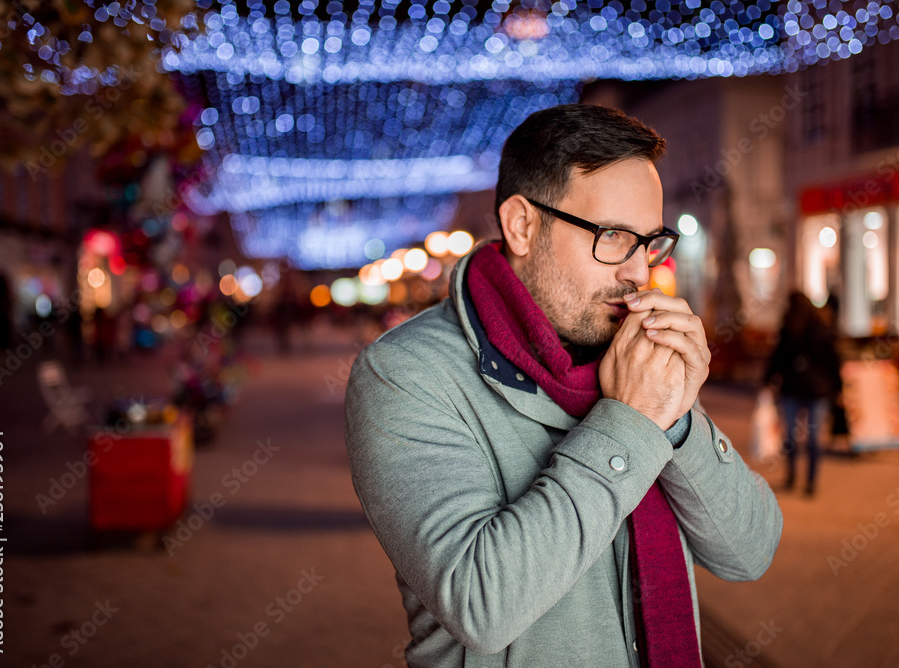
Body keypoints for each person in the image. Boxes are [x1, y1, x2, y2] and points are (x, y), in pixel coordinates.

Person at [345, 104, 783, 667]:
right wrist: (631, 422)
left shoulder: (631, 359)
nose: (638, 272)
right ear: (523, 225)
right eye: (614, 236)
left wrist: (677, 420)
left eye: (648, 241)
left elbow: (749, 552)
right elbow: (481, 605)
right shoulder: (406, 374)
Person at [764, 292, 843, 496]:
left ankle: (801, 479)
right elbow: (833, 362)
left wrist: (767, 381)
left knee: (796, 437)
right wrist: (837, 389)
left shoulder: (806, 328)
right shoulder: (804, 327)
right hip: (811, 391)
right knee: (807, 438)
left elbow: (777, 358)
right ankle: (807, 481)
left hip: (802, 390)